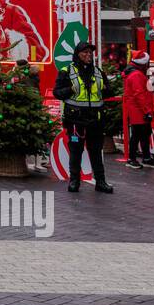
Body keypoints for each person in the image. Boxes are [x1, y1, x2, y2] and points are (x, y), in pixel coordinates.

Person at [53, 41, 114, 194]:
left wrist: (107, 90)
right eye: (84, 53)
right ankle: (74, 181)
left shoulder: (98, 72)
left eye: (90, 53)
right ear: (77, 55)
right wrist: (70, 89)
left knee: (96, 152)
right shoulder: (67, 71)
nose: (88, 55)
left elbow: (108, 91)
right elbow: (57, 92)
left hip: (95, 120)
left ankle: (101, 182)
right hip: (76, 120)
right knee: (76, 151)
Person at [123, 52, 154, 169]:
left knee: (142, 133)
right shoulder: (137, 75)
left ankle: (144, 157)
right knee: (139, 134)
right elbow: (140, 95)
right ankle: (133, 158)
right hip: (139, 110)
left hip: (136, 110)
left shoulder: (133, 73)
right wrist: (147, 111)